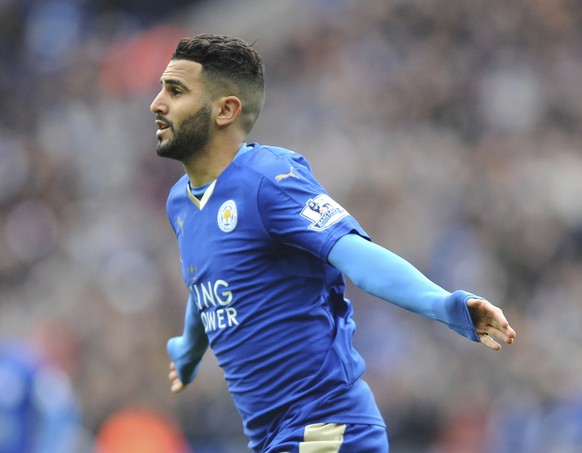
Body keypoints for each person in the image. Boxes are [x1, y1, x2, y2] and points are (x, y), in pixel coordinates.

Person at [149, 34, 516, 453]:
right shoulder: (181, 202)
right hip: (273, 439)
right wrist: (189, 347)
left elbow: (357, 256)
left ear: (226, 110)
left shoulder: (267, 179)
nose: (156, 103)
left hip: (326, 427)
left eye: (175, 91)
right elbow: (208, 279)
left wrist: (446, 305)